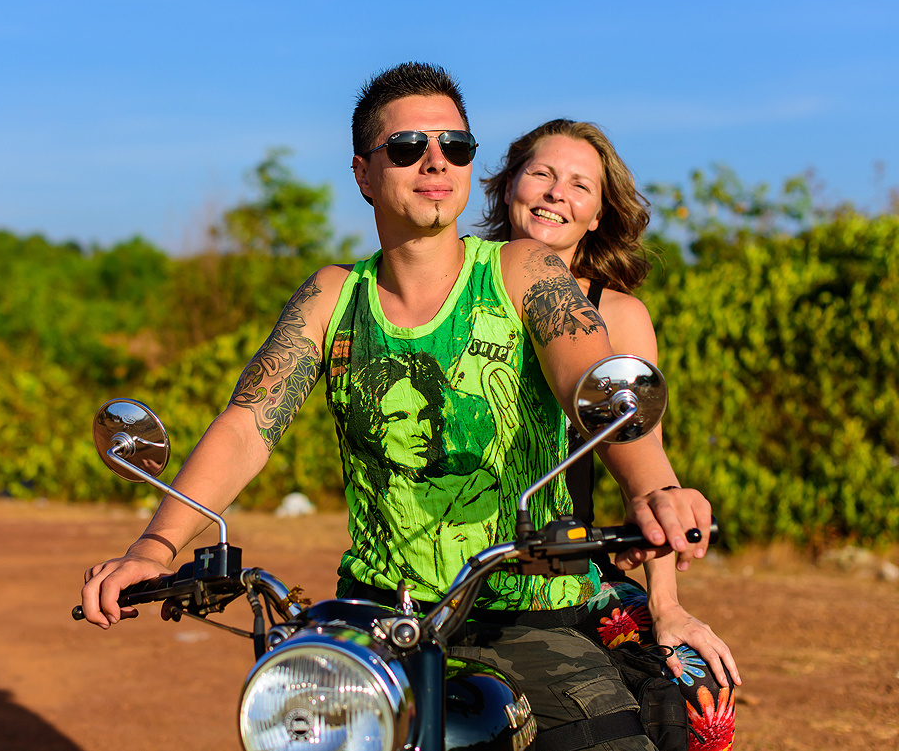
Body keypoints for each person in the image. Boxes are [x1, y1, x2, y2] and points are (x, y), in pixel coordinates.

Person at [81, 62, 714, 750]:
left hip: (527, 613)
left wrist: (654, 486)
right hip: (374, 619)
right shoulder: (332, 296)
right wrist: (157, 544)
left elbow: (594, 385)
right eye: (409, 147)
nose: (435, 161)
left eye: (456, 146)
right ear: (363, 173)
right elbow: (247, 424)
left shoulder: (523, 269)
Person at [479, 119, 740, 749]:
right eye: (540, 173)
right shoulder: (453, 286)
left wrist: (667, 602)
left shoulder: (621, 314)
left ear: (597, 214)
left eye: (579, 185)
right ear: (508, 185)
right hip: (458, 568)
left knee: (696, 688)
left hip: (573, 561)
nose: (554, 193)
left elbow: (644, 458)